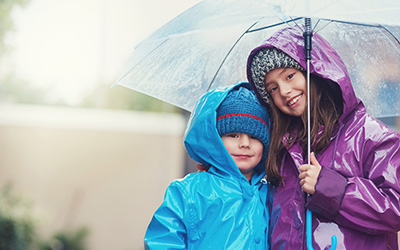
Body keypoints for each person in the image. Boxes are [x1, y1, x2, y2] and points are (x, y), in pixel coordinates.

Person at [246, 26, 400, 249]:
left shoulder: (371, 136)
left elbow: (395, 208)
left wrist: (333, 190)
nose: (285, 91)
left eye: (290, 76)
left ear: (315, 71)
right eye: (272, 89)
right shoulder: (282, 148)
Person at [144, 82, 272, 249]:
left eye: (254, 137)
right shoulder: (190, 191)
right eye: (233, 135)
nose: (245, 144)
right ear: (215, 140)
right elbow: (163, 241)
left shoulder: (272, 193)